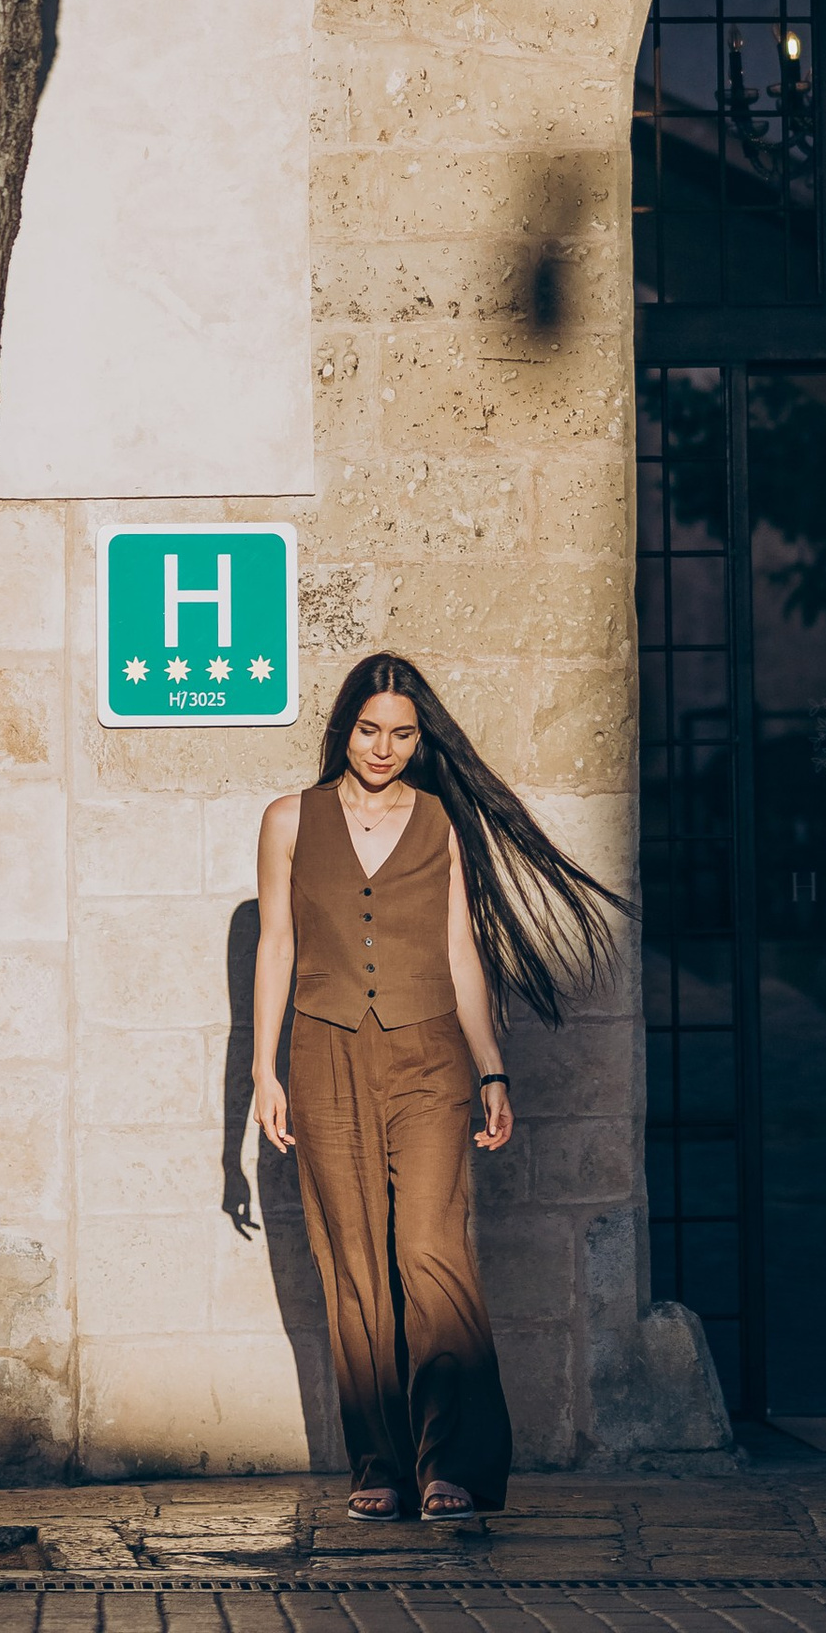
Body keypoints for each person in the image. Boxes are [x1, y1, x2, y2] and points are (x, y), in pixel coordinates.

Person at [252, 652, 622, 1522]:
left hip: (428, 1061)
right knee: (353, 1268)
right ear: (343, 728)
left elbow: (461, 954)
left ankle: (450, 1462)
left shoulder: (441, 823)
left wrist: (491, 1065)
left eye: (403, 734)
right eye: (370, 729)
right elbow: (276, 946)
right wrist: (262, 1074)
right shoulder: (287, 821)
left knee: (431, 1253)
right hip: (325, 1056)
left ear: (422, 741)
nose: (384, 748)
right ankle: (378, 1465)